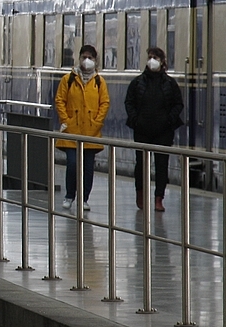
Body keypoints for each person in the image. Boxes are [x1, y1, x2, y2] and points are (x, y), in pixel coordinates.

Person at [124, 47, 183, 212]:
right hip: (142, 129)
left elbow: (178, 104)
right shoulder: (137, 83)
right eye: (150, 57)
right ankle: (140, 195)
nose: (152, 60)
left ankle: (159, 198)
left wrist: (169, 120)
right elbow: (129, 102)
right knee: (141, 165)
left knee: (162, 165)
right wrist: (135, 120)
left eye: (155, 57)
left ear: (162, 61)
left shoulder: (170, 84)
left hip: (163, 130)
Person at [54, 44, 110, 212]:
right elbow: (60, 100)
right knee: (72, 164)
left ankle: (84, 198)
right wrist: (66, 120)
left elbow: (104, 103)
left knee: (87, 167)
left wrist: (97, 122)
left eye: (90, 58)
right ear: (78, 58)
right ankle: (69, 195)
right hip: (71, 131)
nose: (86, 61)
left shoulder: (99, 82)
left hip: (91, 132)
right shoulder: (68, 79)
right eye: (84, 57)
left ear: (95, 60)